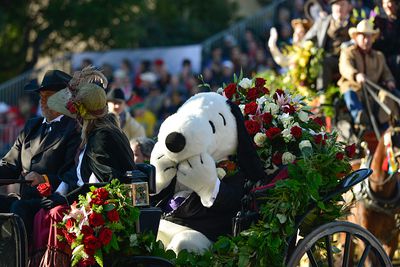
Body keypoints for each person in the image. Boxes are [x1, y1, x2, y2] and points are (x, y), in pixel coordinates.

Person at [29, 67, 137, 267]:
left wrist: (64, 199)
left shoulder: (102, 136)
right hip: (85, 198)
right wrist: (60, 191)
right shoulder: (98, 131)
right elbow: (78, 172)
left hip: (103, 205)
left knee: (54, 214)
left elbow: (104, 182)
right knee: (41, 212)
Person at [0, 70, 81, 242]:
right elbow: (9, 164)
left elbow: (71, 172)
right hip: (25, 198)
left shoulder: (73, 129)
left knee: (18, 208)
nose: (43, 101)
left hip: (51, 200)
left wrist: (44, 178)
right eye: (41, 96)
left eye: (49, 96)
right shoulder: (32, 126)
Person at [338, 19, 398, 128]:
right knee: (350, 94)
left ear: (373, 38)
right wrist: (356, 75)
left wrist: (389, 81)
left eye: (369, 36)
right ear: (356, 38)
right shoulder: (348, 52)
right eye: (363, 36)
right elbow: (345, 67)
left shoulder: (379, 56)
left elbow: (386, 72)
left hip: (373, 92)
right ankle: (360, 118)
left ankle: (384, 126)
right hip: (354, 88)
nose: (367, 40)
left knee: (386, 96)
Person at [304, 0, 354, 91]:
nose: (339, 8)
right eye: (336, 5)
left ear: (349, 7)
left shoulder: (356, 22)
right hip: (330, 59)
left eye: (342, 4)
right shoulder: (323, 22)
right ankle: (322, 93)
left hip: (350, 60)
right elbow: (307, 39)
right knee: (323, 62)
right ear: (331, 7)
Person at [374, 0, 400, 86]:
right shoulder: (378, 20)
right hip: (382, 55)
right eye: (384, 2)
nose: (387, 5)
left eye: (389, 2)